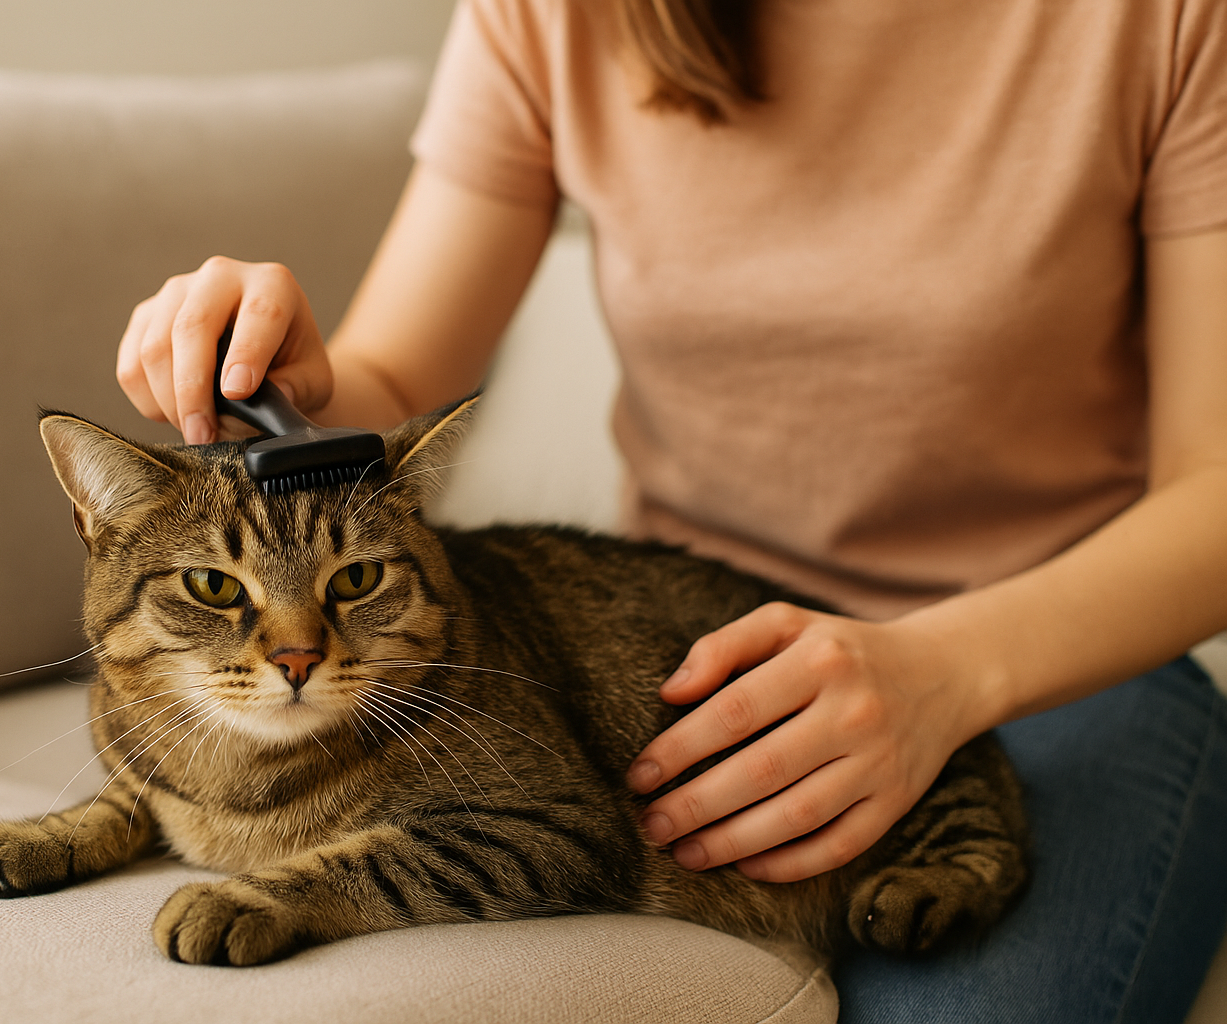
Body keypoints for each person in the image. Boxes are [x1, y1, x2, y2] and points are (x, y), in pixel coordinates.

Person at [113, 1, 1227, 1020]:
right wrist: (291, 388)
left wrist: (937, 673)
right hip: (682, 650)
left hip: (1052, 660)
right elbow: (392, 383)